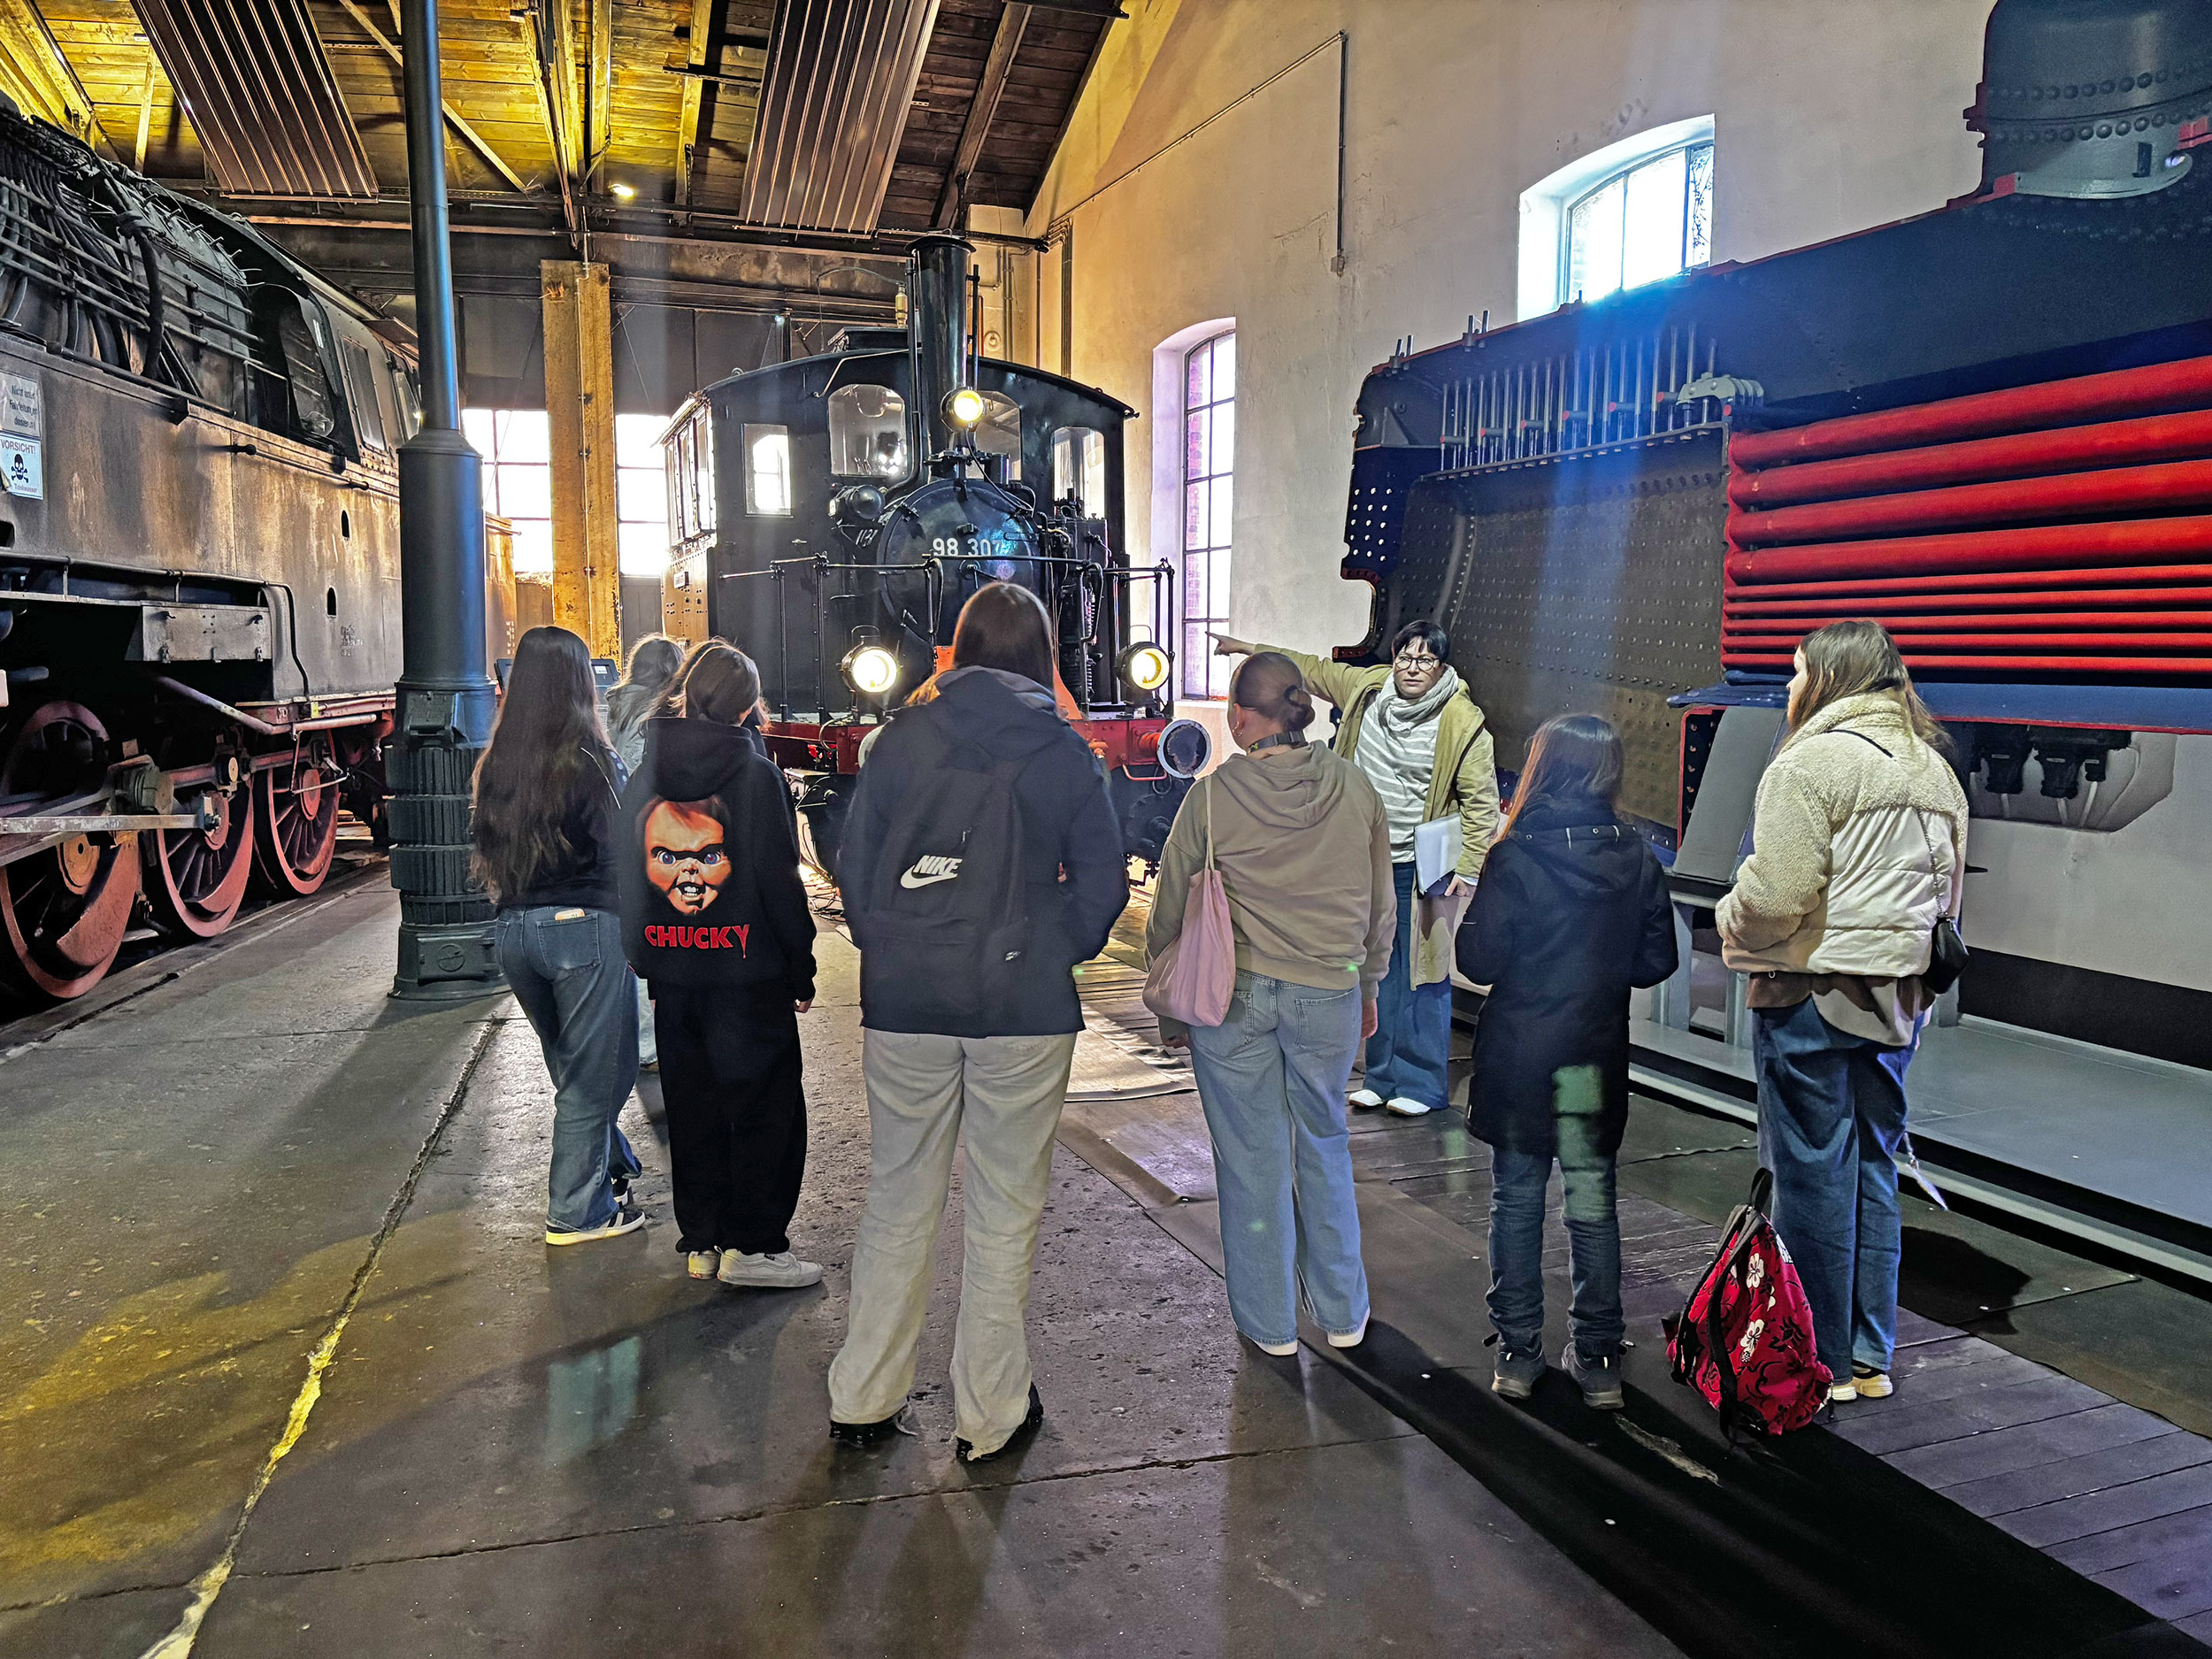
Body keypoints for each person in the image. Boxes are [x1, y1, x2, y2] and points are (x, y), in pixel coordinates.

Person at [827, 582, 1128, 1463]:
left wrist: (892, 946)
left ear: (957, 651)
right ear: (1041, 656)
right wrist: (1044, 949)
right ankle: (989, 1415)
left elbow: (856, 866)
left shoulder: (897, 744)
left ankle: (863, 1396)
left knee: (897, 1196)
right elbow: (1104, 885)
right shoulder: (1065, 754)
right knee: (1004, 1211)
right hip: (1024, 1012)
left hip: (908, 1005)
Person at [1716, 620, 1968, 1404]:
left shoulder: (1811, 762)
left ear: (1830, 679)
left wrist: (1731, 919)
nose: (1790, 689)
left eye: (1796, 674)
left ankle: (1811, 1360)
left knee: (1810, 1174)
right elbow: (1946, 908)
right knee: (1872, 1169)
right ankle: (1868, 1355)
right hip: (1896, 1004)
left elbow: (1776, 895)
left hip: (1810, 999)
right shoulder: (1936, 771)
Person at [1147, 653, 1395, 1356]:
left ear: (1238, 716)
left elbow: (1170, 908)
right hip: (1328, 994)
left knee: (1252, 1159)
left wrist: (1172, 1006)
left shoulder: (1214, 796)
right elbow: (1381, 911)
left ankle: (1270, 1324)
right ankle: (1345, 1312)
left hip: (1234, 997)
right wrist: (1368, 985)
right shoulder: (1357, 788)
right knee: (1324, 1142)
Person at [1456, 714, 1678, 1409]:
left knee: (1516, 1204)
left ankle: (1518, 1355)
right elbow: (1657, 961)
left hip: (1521, 1057)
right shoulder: (1638, 857)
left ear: (1542, 769)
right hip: (1590, 1057)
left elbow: (1478, 959)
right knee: (1591, 1206)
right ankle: (1600, 1356)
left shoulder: (1515, 854)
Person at [1212, 621, 1498, 1117]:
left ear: (1443, 667)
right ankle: (1382, 1075)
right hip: (1363, 855)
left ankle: (1422, 1082)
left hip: (1422, 863)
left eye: (1425, 660)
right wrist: (1249, 648)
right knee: (1373, 968)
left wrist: (1469, 867)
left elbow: (1481, 802)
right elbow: (1309, 669)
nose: (1413, 668)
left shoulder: (1462, 720)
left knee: (1422, 974)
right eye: (1406, 657)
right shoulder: (1369, 690)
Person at [618, 641, 821, 1289]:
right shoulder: (755, 776)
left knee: (693, 1108)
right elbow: (777, 880)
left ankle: (702, 1241)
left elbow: (627, 878)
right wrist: (800, 966)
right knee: (764, 1110)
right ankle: (756, 1248)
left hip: (676, 980)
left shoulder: (646, 772)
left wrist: (648, 958)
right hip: (748, 976)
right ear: (748, 706)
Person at [473, 625, 644, 1246]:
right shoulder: (595, 760)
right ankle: (578, 1212)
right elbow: (622, 852)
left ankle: (612, 1167)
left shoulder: (499, 763)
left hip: (515, 934)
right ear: (580, 682)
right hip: (584, 931)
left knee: (578, 1070)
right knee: (601, 1075)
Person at [604, 634, 685, 1071]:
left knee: (631, 933)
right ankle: (651, 1046)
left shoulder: (613, 703)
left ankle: (635, 1039)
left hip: (620, 823)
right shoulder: (663, 711)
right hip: (658, 828)